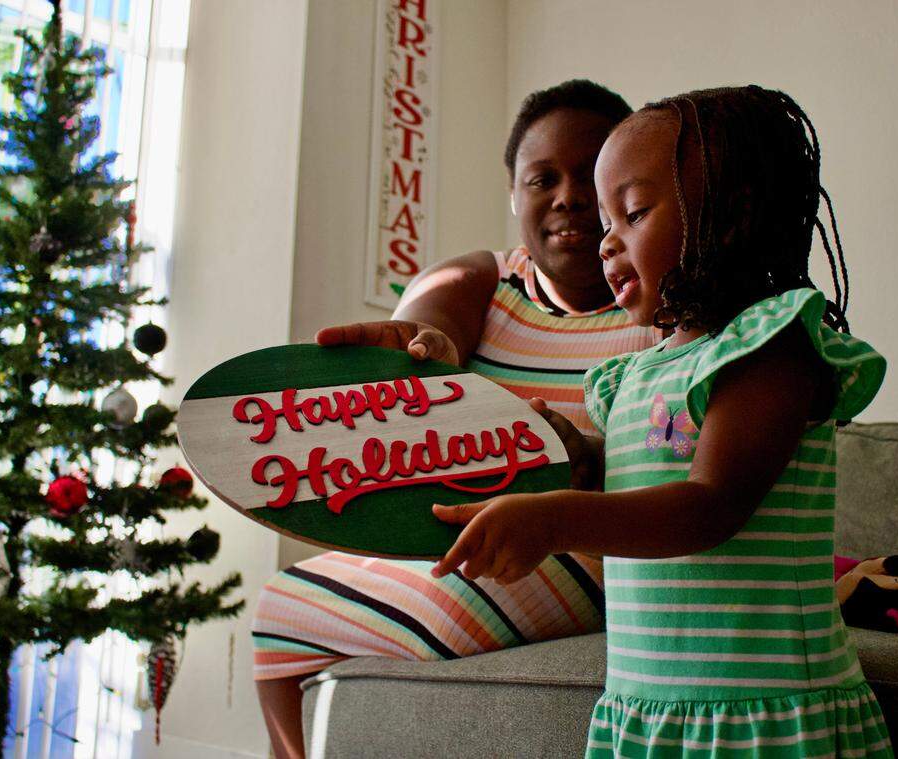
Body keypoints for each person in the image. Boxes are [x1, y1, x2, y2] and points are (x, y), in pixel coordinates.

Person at [432, 86, 893, 757]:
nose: (607, 244)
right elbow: (645, 475)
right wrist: (583, 459)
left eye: (634, 212)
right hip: (650, 708)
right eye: (606, 224)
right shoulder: (637, 372)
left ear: (730, 214)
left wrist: (556, 519)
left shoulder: (769, 343)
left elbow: (708, 505)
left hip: (762, 715)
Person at [252, 79, 660, 758]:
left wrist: (583, 455)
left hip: (592, 546)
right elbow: (424, 327)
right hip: (463, 540)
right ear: (513, 194)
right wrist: (422, 356)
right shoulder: (481, 281)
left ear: (625, 187)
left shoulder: (661, 300)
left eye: (590, 175)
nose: (567, 196)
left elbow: (675, 454)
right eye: (542, 178)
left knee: (437, 610)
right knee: (275, 607)